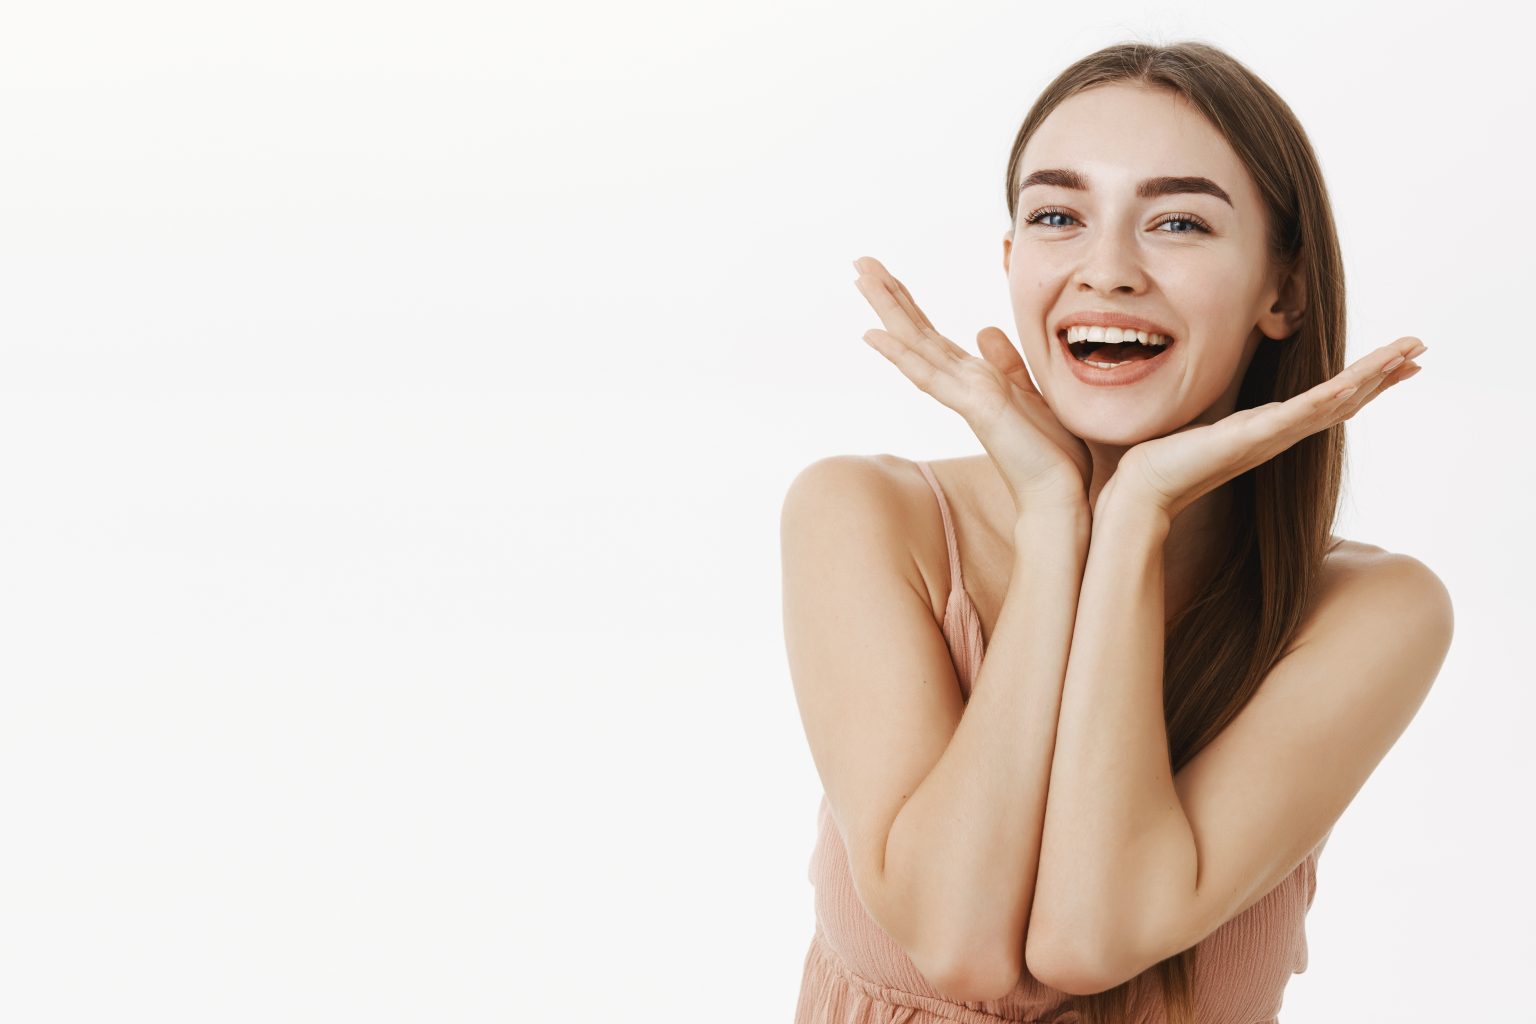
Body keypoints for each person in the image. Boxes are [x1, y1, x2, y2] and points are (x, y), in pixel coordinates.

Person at [780, 40, 1454, 1024]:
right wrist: (1058, 521)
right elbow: (958, 940)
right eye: (1058, 216)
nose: (1108, 271)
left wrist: (1132, 516)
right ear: (1013, 260)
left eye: (1178, 222)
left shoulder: (1374, 610)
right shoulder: (865, 515)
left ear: (1285, 291)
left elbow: (1086, 938)